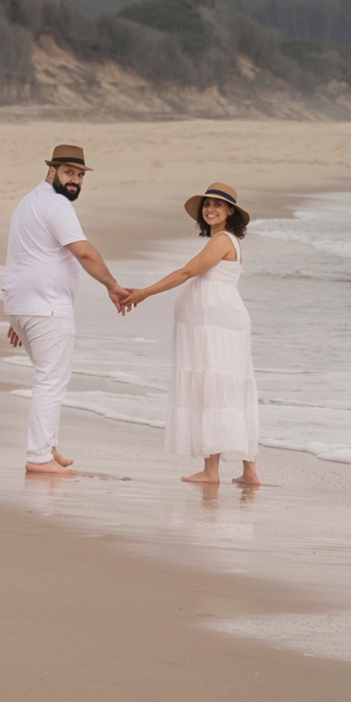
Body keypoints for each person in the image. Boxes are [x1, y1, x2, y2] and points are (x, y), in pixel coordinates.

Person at [119, 181, 263, 489]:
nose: (210, 209)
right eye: (206, 204)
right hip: (218, 321)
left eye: (218, 205)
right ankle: (249, 472)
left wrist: (145, 292)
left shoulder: (222, 239)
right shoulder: (227, 241)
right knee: (229, 390)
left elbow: (187, 272)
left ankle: (212, 471)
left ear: (230, 213)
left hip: (215, 324)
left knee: (213, 388)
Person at [1, 143, 130, 477]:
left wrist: (19, 314)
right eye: (69, 173)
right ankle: (39, 455)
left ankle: (48, 444)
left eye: (80, 175)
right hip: (46, 307)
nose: (75, 180)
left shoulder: (29, 202)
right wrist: (112, 286)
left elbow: (25, 256)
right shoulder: (56, 205)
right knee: (51, 380)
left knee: (49, 376)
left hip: (25, 305)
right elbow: (84, 253)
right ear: (51, 171)